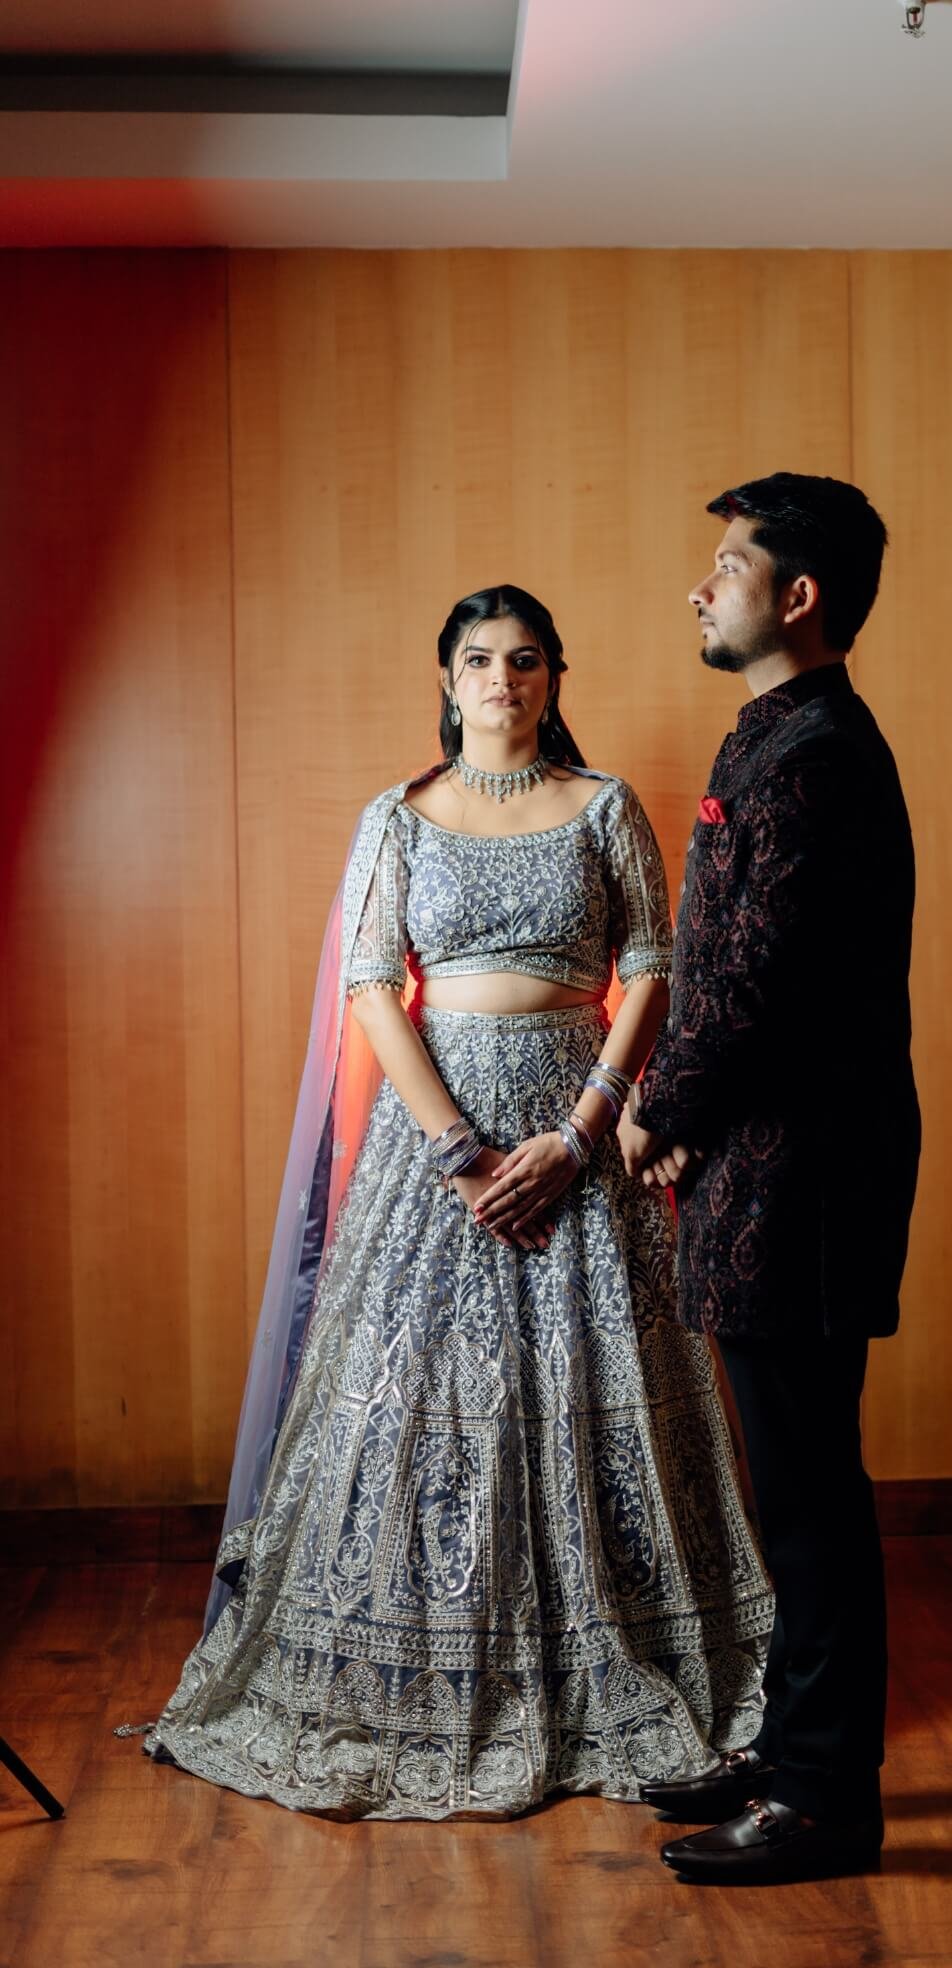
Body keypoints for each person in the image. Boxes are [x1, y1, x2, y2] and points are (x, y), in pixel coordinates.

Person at [142, 584, 773, 1820]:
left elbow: (653, 963)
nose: (502, 679)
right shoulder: (397, 817)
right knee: (420, 1400)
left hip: (576, 1121)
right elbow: (376, 983)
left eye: (525, 659)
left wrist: (581, 1132)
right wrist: (463, 1156)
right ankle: (403, 1664)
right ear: (446, 678)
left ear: (553, 677)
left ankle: (624, 1644)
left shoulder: (602, 809)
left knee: (600, 1396)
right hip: (436, 1142)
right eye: (479, 659)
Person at [626, 475, 921, 1882]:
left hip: (802, 1181)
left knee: (807, 1492)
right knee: (790, 1485)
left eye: (727, 565)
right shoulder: (783, 735)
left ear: (795, 597)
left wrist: (652, 1112)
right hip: (768, 1164)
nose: (702, 586)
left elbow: (755, 985)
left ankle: (823, 1798)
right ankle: (792, 1751)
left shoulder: (813, 753)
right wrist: (691, 1114)